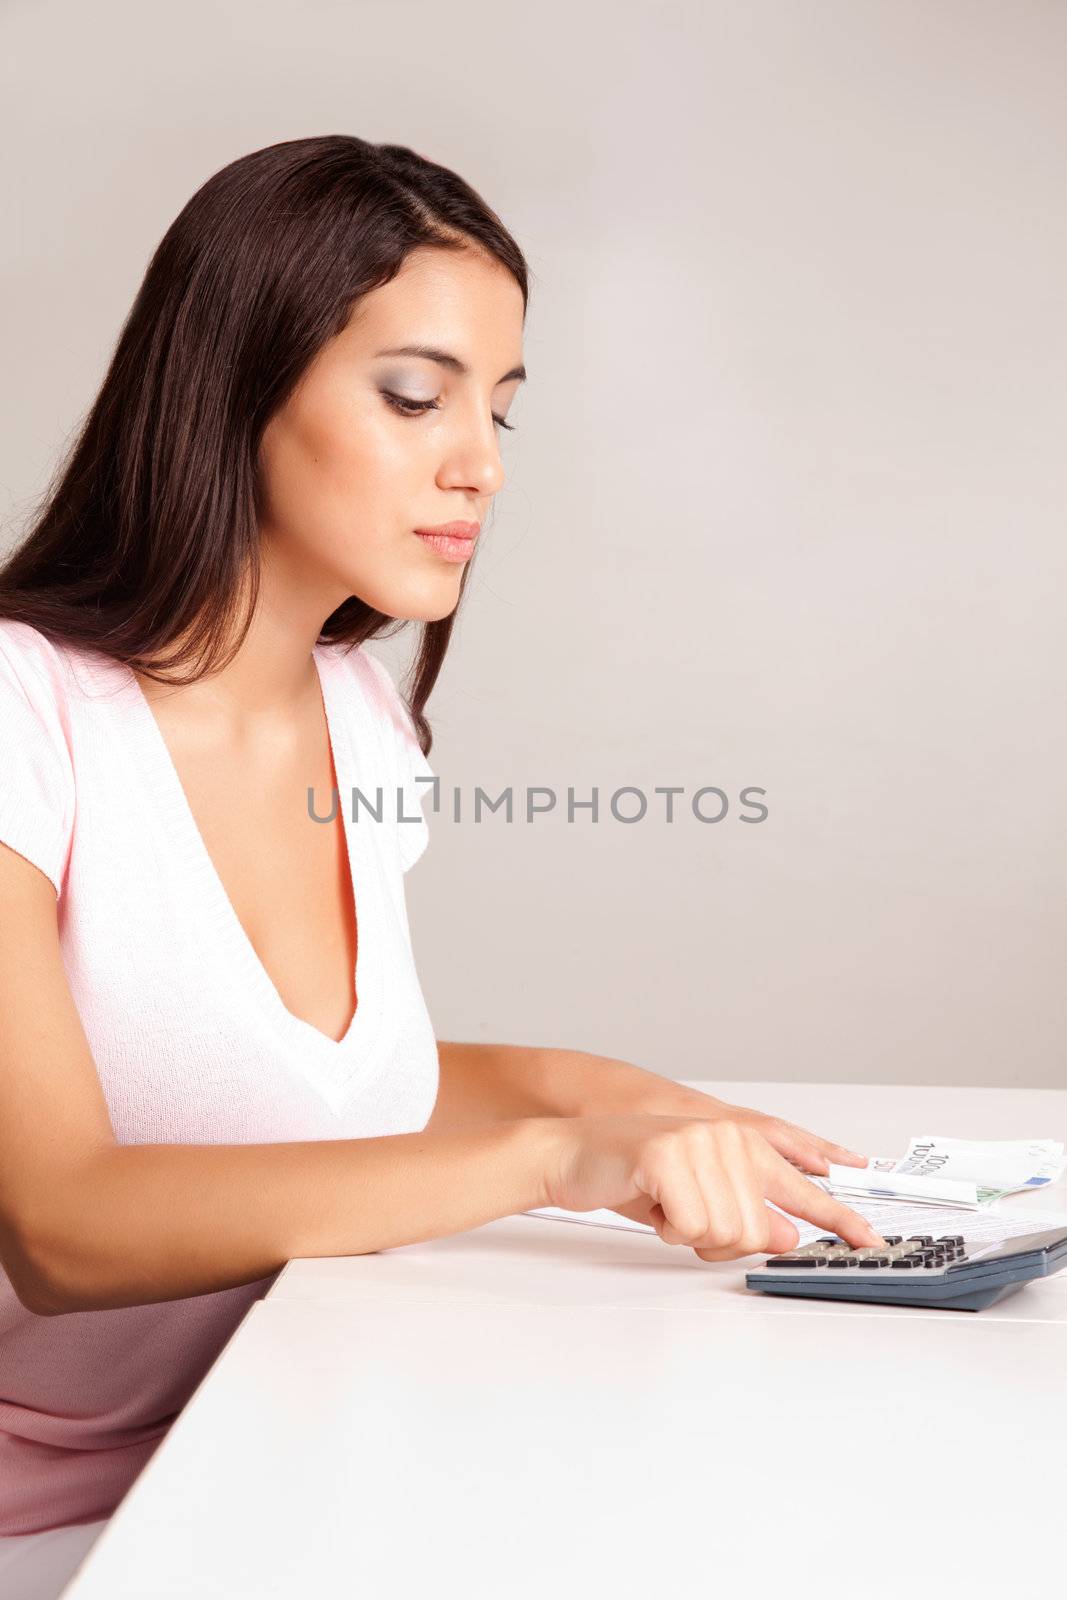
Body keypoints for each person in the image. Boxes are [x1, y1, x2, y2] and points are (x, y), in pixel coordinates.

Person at [0, 134, 882, 1592]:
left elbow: (307, 1079)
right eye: (415, 395)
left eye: (502, 412)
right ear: (236, 386)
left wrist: (616, 1098)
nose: (476, 464)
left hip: (275, 1445)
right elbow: (64, 1226)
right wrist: (551, 1157)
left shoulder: (364, 710)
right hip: (52, 1531)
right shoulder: (26, 709)